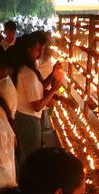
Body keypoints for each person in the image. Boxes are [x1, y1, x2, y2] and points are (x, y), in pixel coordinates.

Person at [12, 34, 64, 166]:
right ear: (28, 50)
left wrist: (52, 74)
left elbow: (38, 89)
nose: (40, 52)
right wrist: (54, 90)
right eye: (37, 49)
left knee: (27, 155)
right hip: (27, 121)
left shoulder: (25, 69)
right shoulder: (28, 74)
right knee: (30, 158)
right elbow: (37, 105)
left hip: (23, 118)